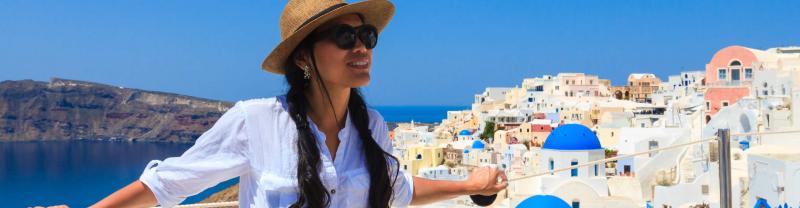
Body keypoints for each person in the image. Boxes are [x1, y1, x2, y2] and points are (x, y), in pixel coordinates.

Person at [91, 0, 507, 207]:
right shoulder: (255, 121)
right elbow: (166, 185)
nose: (361, 47)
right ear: (304, 57)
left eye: (368, 38)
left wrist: (471, 186)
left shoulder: (373, 125)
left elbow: (399, 190)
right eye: (345, 38)